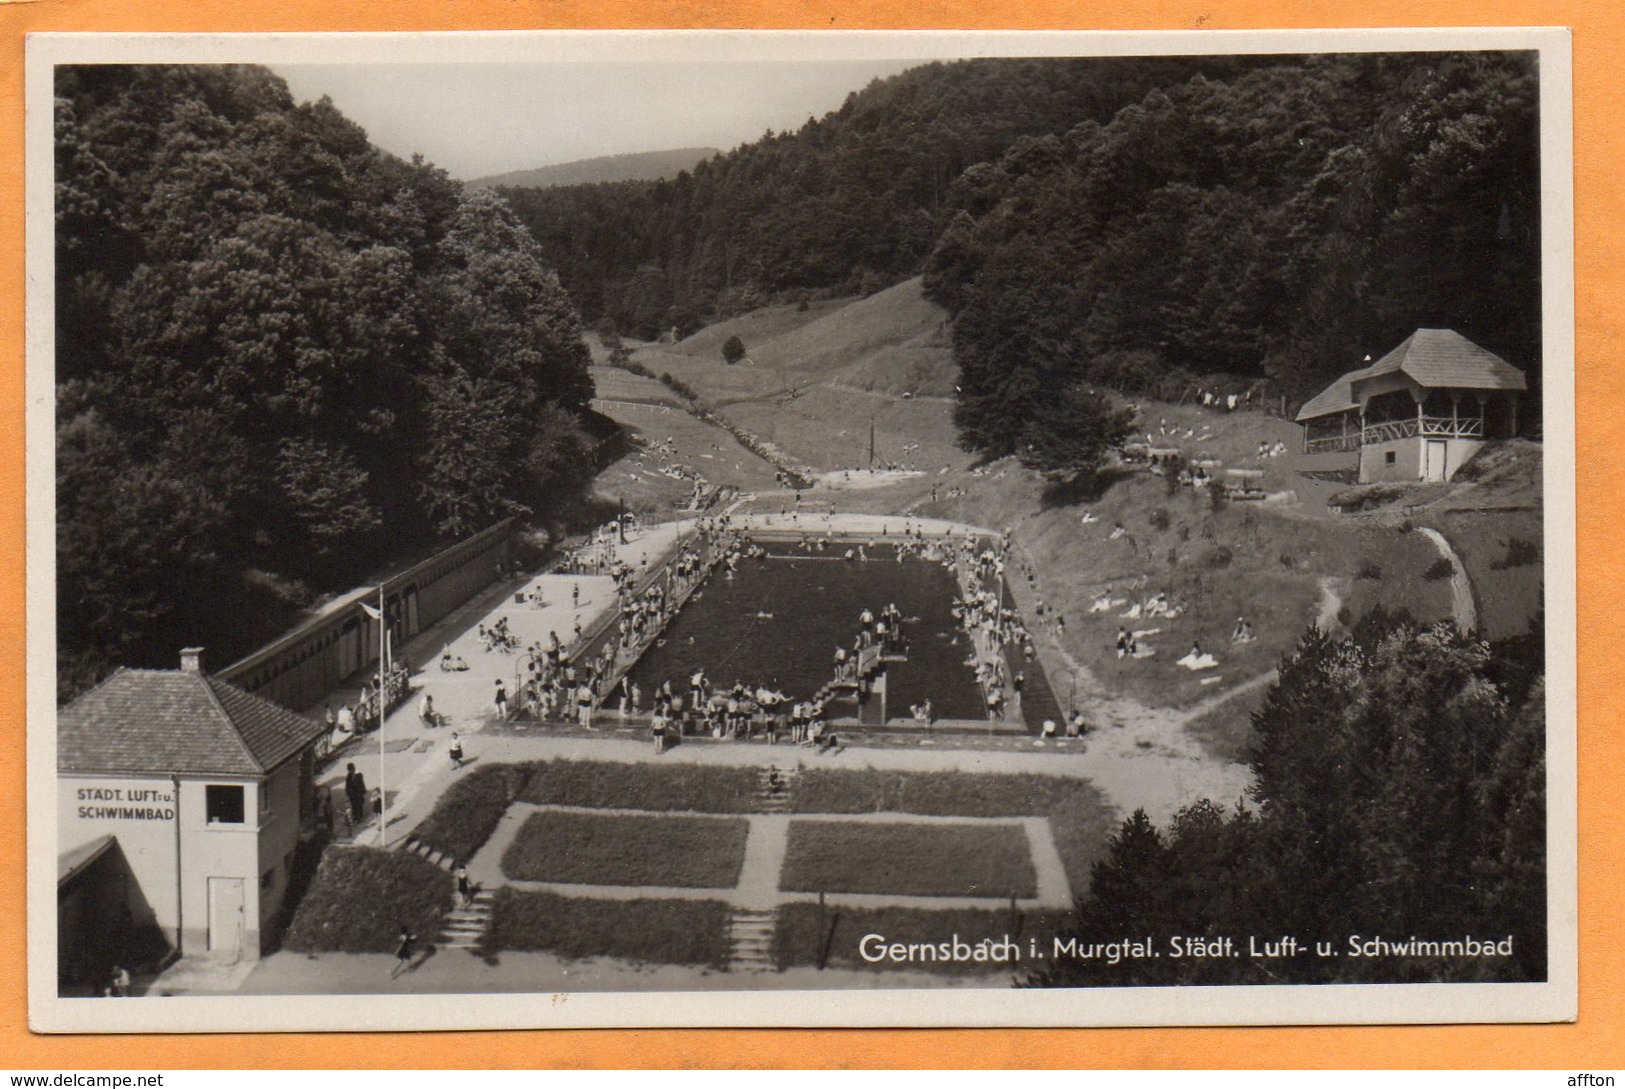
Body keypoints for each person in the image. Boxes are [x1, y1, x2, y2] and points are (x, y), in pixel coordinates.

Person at [344, 763, 367, 827]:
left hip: (358, 794)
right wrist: (347, 793)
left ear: (353, 769)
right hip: (352, 795)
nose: (351, 771)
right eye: (349, 770)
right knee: (354, 806)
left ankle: (359, 816)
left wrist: (362, 792)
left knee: (359, 805)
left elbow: (362, 784)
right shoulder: (348, 776)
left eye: (351, 770)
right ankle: (356, 818)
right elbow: (347, 786)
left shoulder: (358, 775)